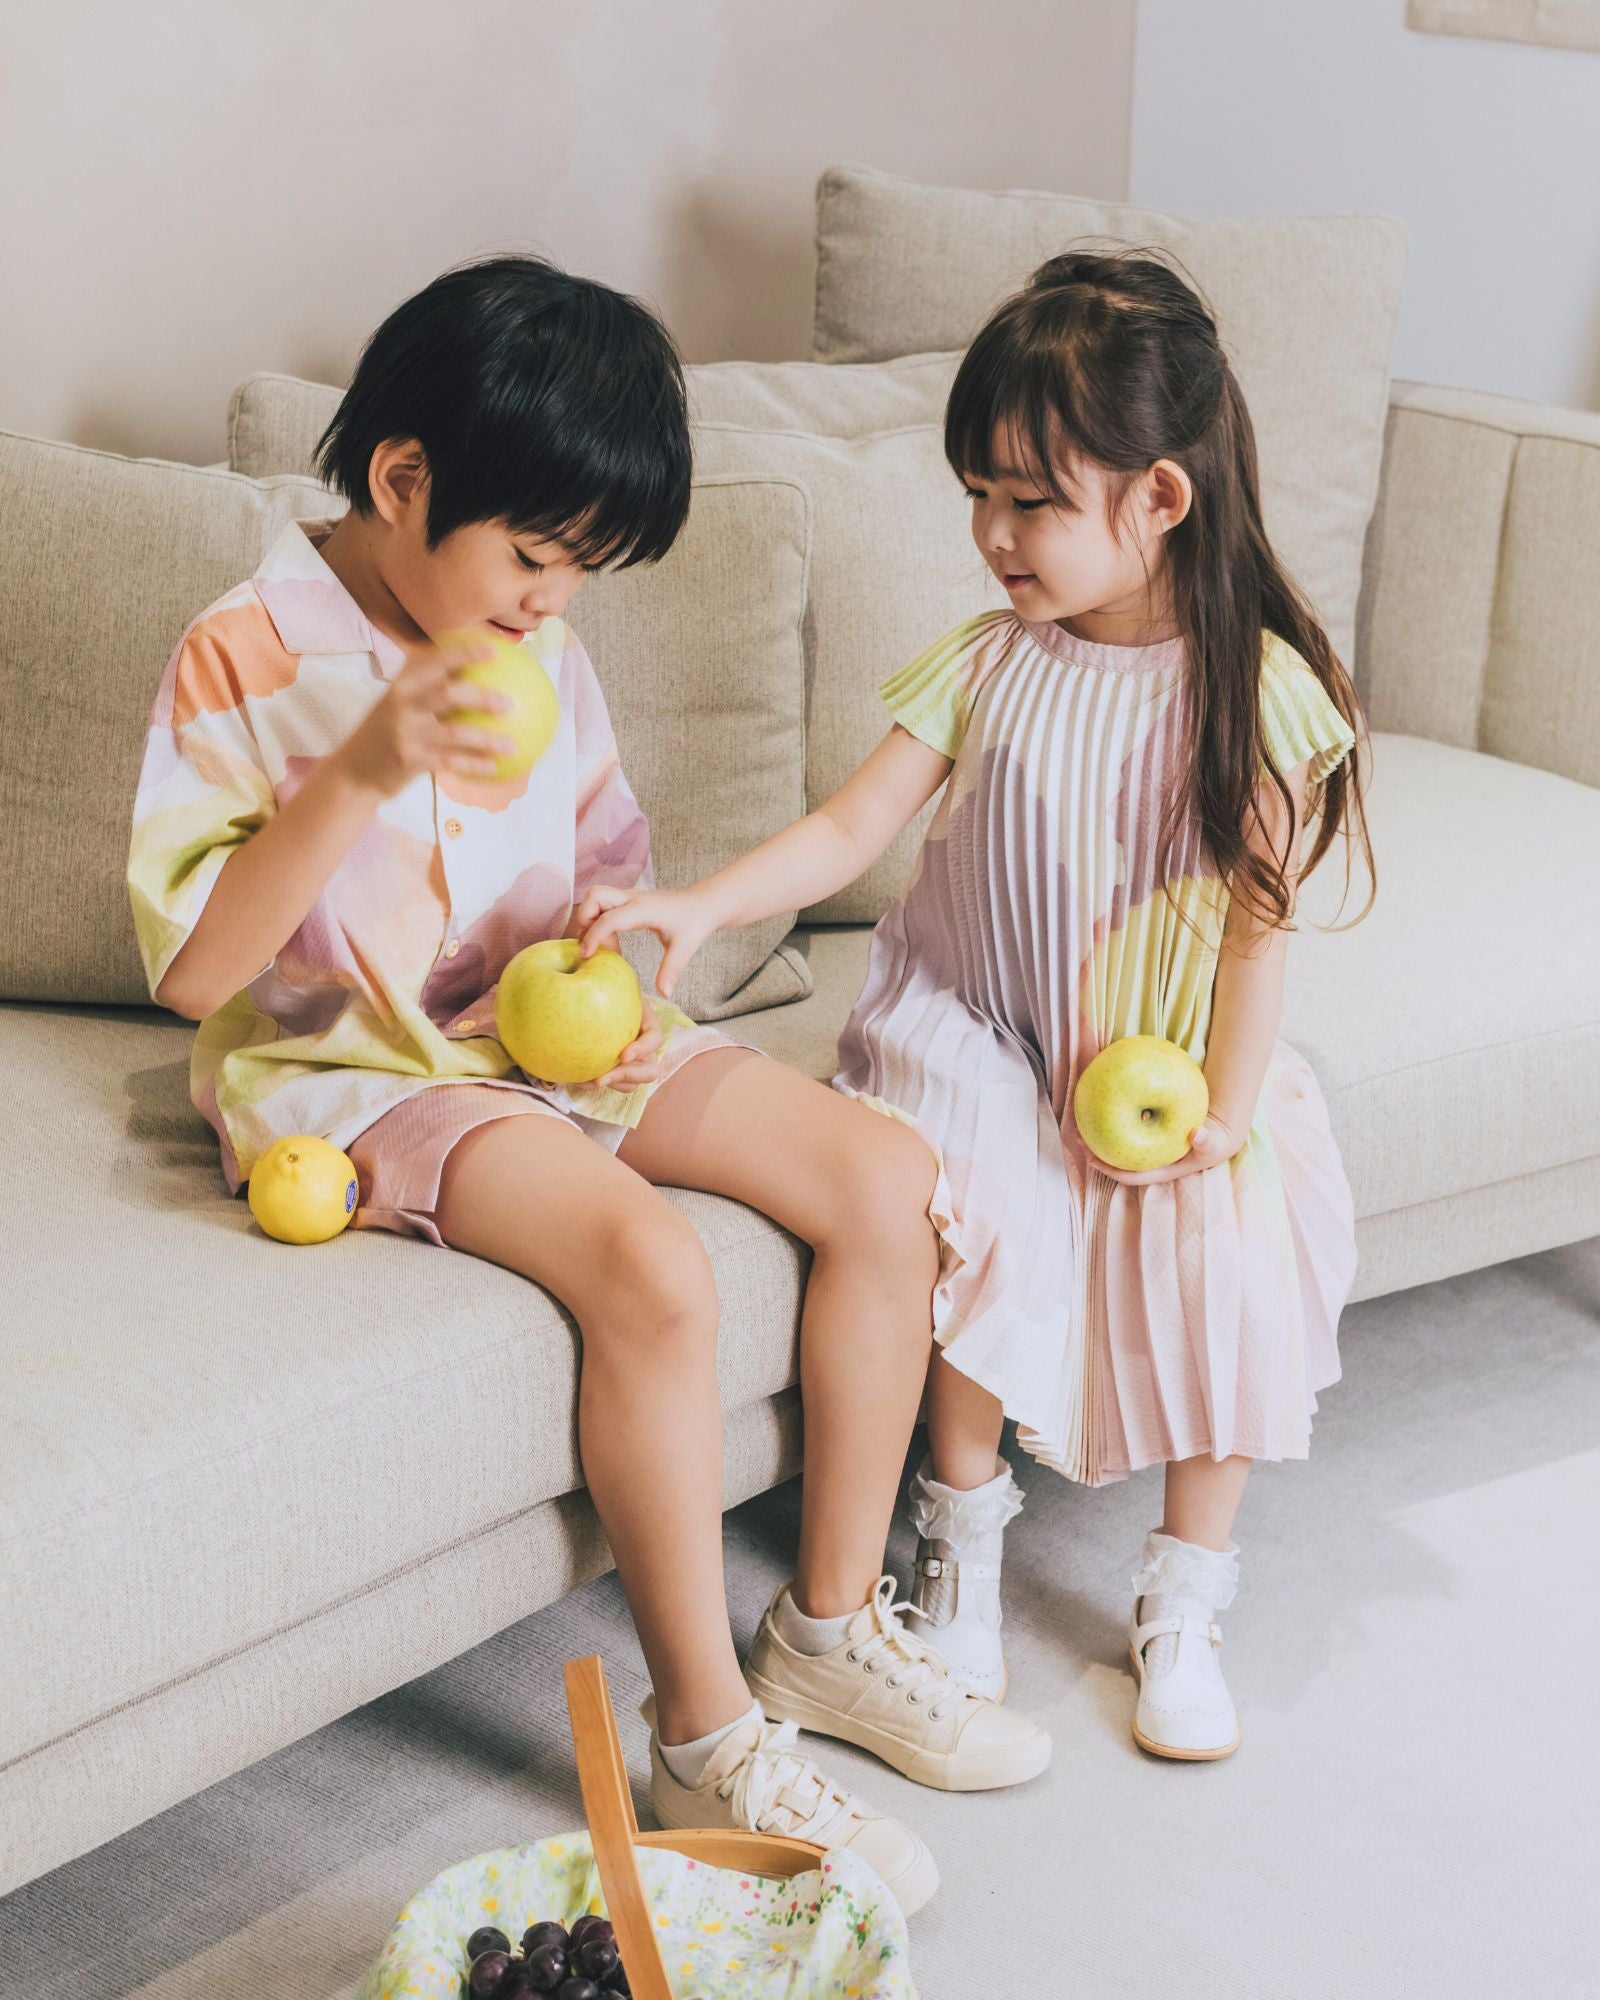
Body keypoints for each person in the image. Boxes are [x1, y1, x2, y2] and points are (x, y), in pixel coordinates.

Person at [126, 256, 1050, 1919]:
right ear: (402, 478)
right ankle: (705, 1738)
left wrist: (616, 969)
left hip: (541, 1034)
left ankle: (829, 1631)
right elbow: (197, 974)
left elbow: (597, 867)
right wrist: (367, 762)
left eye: (582, 572)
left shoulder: (533, 639)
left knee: (891, 1183)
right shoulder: (241, 650)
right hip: (361, 1073)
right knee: (652, 1265)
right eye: (537, 557)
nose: (554, 601)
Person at [580, 249, 1373, 1762]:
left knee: (1227, 1249)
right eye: (978, 495)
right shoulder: (990, 663)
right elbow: (846, 829)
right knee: (973, 1196)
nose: (992, 534)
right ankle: (962, 1544)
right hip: (972, 1017)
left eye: (1032, 501)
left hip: (1155, 1048)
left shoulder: (1253, 696)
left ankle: (1185, 1593)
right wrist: (700, 903)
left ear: (1160, 499)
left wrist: (1222, 1107)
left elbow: (1256, 936)